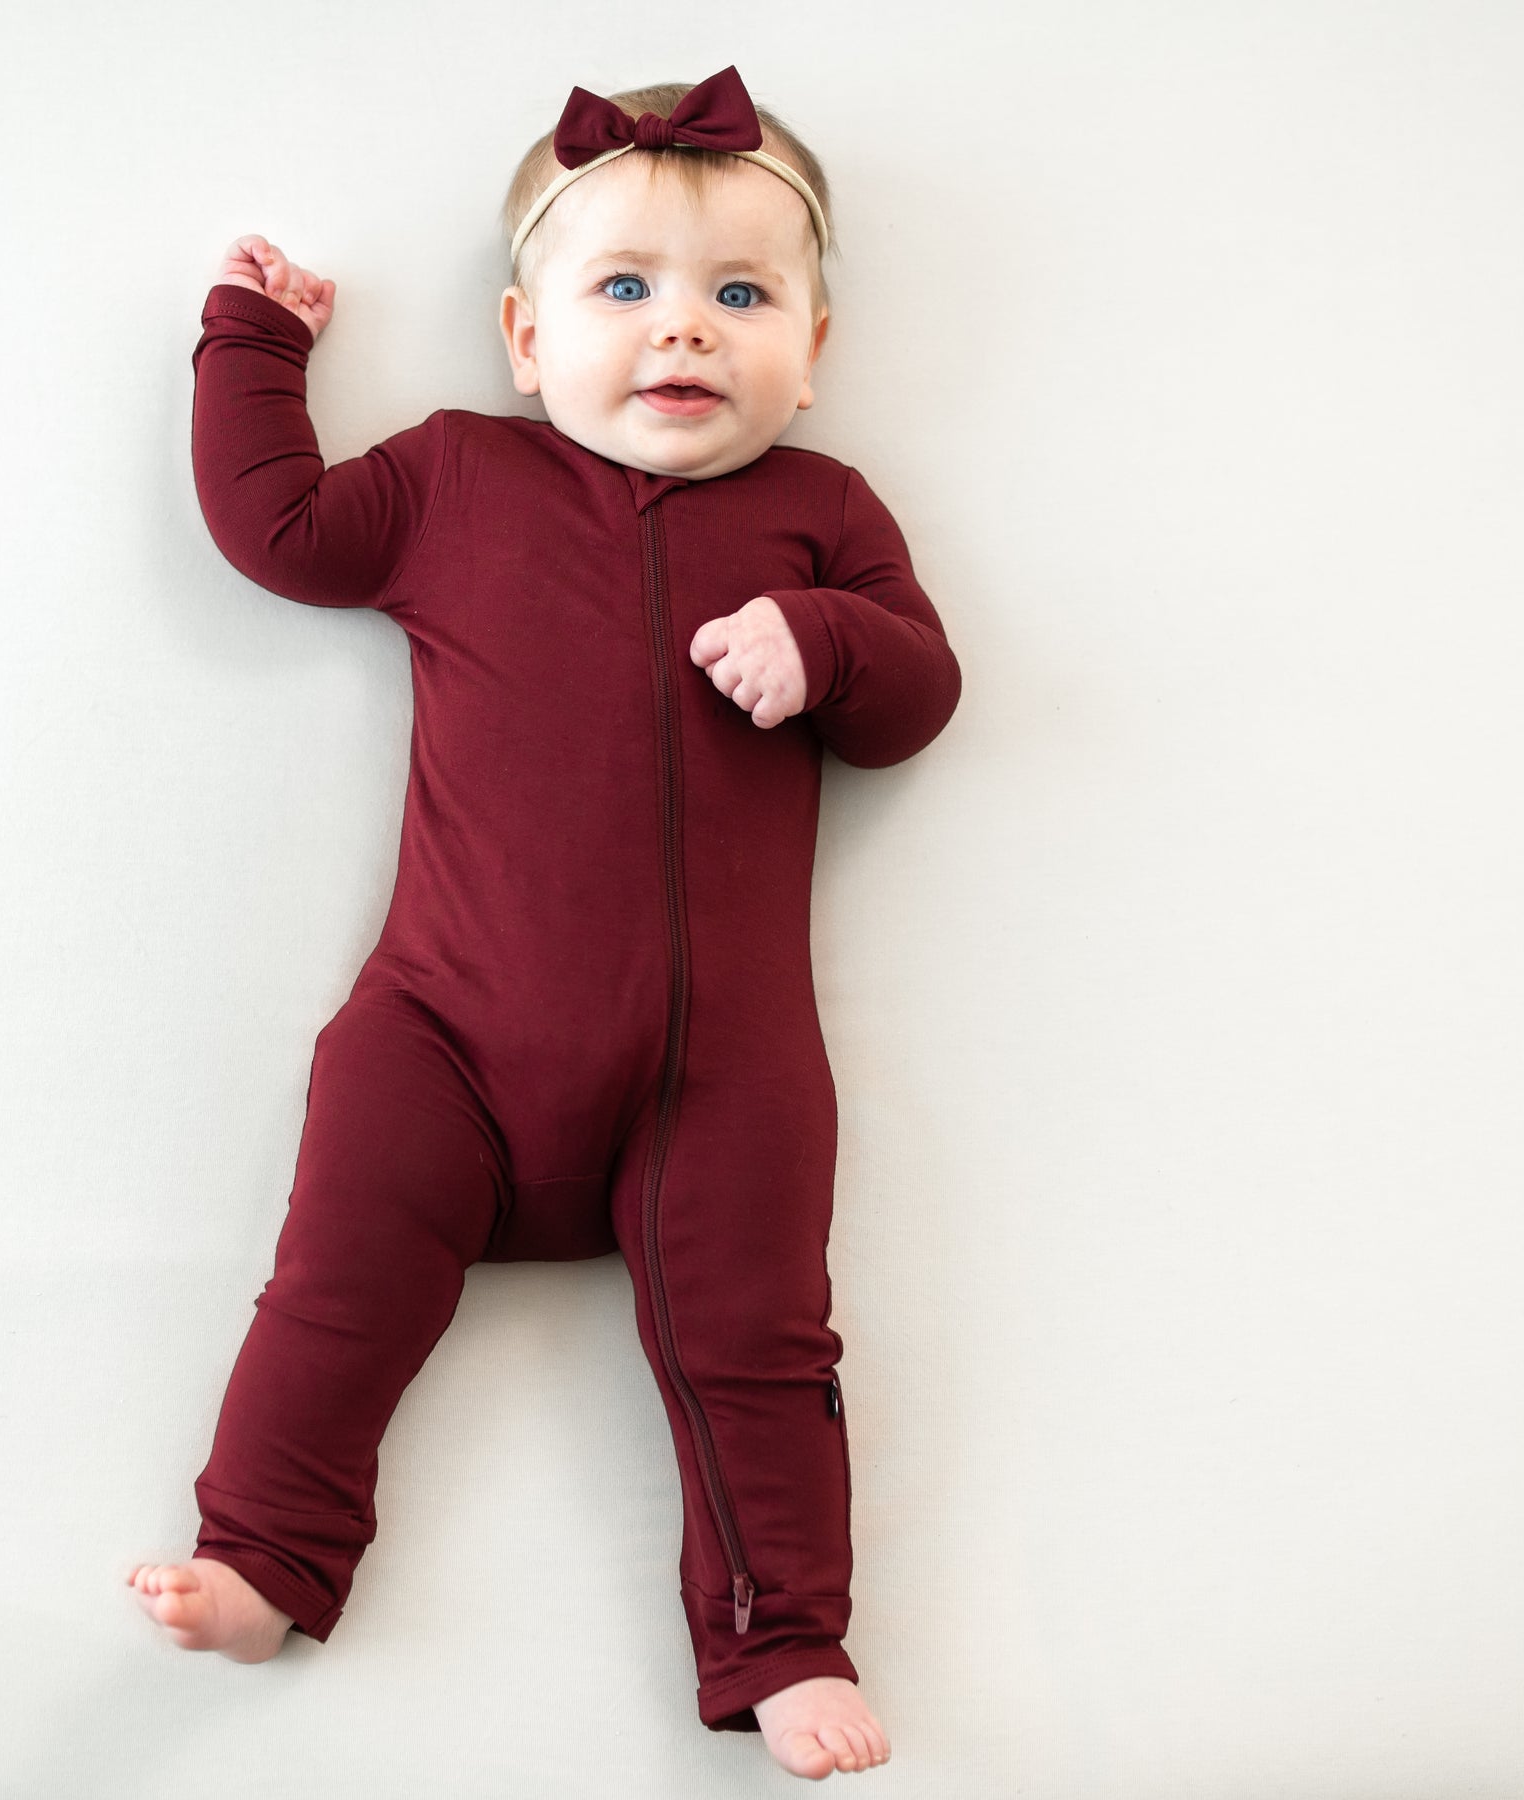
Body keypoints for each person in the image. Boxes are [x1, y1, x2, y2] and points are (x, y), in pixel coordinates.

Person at [128, 63, 958, 1780]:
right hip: (444, 1036)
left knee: (760, 1348)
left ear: (814, 350)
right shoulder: (454, 477)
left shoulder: (825, 517)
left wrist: (825, 643)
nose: (685, 330)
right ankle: (264, 1558)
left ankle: (785, 1641)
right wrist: (252, 347)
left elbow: (919, 697)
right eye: (624, 288)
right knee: (337, 1289)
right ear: (524, 337)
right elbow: (278, 530)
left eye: (742, 297)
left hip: (717, 1073)